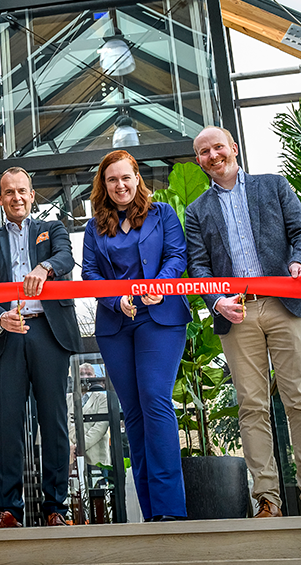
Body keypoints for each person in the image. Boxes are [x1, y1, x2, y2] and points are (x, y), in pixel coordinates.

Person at [185, 126, 301, 518]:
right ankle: (267, 500)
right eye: (203, 152)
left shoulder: (274, 186)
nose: (213, 155)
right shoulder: (196, 211)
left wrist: (300, 260)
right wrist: (216, 301)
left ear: (233, 147)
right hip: (238, 313)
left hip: (286, 305)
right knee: (251, 406)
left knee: (300, 398)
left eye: (218, 147)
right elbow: (198, 266)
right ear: (198, 161)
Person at [82, 150, 190, 522]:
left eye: (126, 177)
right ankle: (151, 513)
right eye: (112, 180)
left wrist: (158, 286)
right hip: (116, 325)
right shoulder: (94, 227)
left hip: (160, 318)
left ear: (137, 177)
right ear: (104, 186)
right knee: (134, 414)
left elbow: (177, 257)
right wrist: (117, 299)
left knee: (155, 401)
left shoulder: (163, 215)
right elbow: (90, 275)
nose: (120, 185)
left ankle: (171, 511)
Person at [0, 167, 83, 528]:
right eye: (9, 192)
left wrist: (45, 267)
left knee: (52, 422)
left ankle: (56, 509)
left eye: (22, 191)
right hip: (9, 335)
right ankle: (9, 510)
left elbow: (67, 258)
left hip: (49, 333)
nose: (16, 197)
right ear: (0, 199)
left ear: (32, 195)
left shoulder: (51, 230)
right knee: (7, 425)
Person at [69, 363, 111, 469]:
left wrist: (80, 447)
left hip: (96, 459)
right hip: (71, 456)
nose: (85, 377)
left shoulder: (103, 399)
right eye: (82, 374)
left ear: (94, 378)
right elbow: (64, 424)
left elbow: (100, 428)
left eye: (89, 374)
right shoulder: (67, 399)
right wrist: (70, 447)